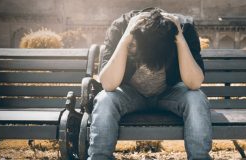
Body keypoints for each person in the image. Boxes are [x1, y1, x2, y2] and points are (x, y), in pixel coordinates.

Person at [89, 7, 212, 160]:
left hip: (170, 92)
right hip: (131, 94)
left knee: (196, 98)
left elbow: (194, 84)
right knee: (104, 100)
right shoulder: (120, 27)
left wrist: (180, 39)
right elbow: (108, 84)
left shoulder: (184, 28)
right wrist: (126, 38)